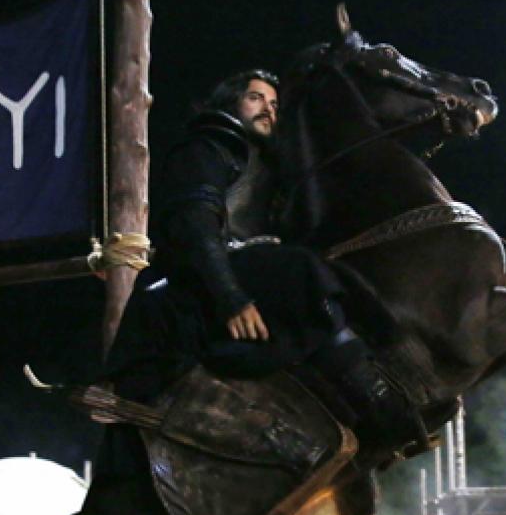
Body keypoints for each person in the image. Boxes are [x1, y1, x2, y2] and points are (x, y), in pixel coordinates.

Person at [104, 69, 423, 452]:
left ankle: (368, 390)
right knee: (301, 269)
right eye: (256, 98)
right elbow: (195, 227)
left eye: (274, 104)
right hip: (193, 289)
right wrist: (231, 298)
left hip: (249, 275)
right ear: (230, 102)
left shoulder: (270, 170)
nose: (268, 110)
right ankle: (375, 399)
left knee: (340, 274)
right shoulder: (205, 150)